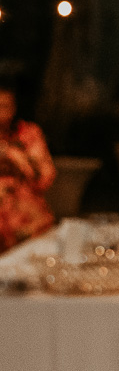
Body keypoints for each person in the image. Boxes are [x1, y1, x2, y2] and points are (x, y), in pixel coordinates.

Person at [0, 87, 55, 253]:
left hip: (27, 211)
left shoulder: (29, 133)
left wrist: (19, 160)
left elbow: (46, 177)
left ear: (14, 107)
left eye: (5, 106)